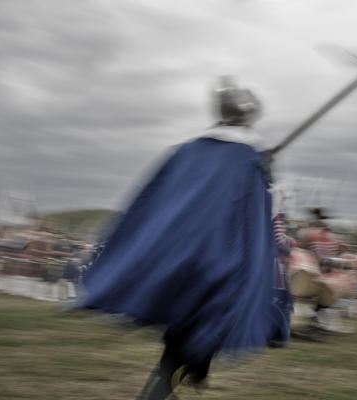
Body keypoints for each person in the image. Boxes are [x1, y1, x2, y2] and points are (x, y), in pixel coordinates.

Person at [81, 77, 289, 399]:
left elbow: (158, 201)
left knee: (184, 331)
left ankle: (178, 381)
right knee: (200, 335)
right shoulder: (249, 158)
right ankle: (168, 386)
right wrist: (265, 172)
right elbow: (262, 212)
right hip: (220, 261)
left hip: (177, 257)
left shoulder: (188, 152)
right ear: (249, 117)